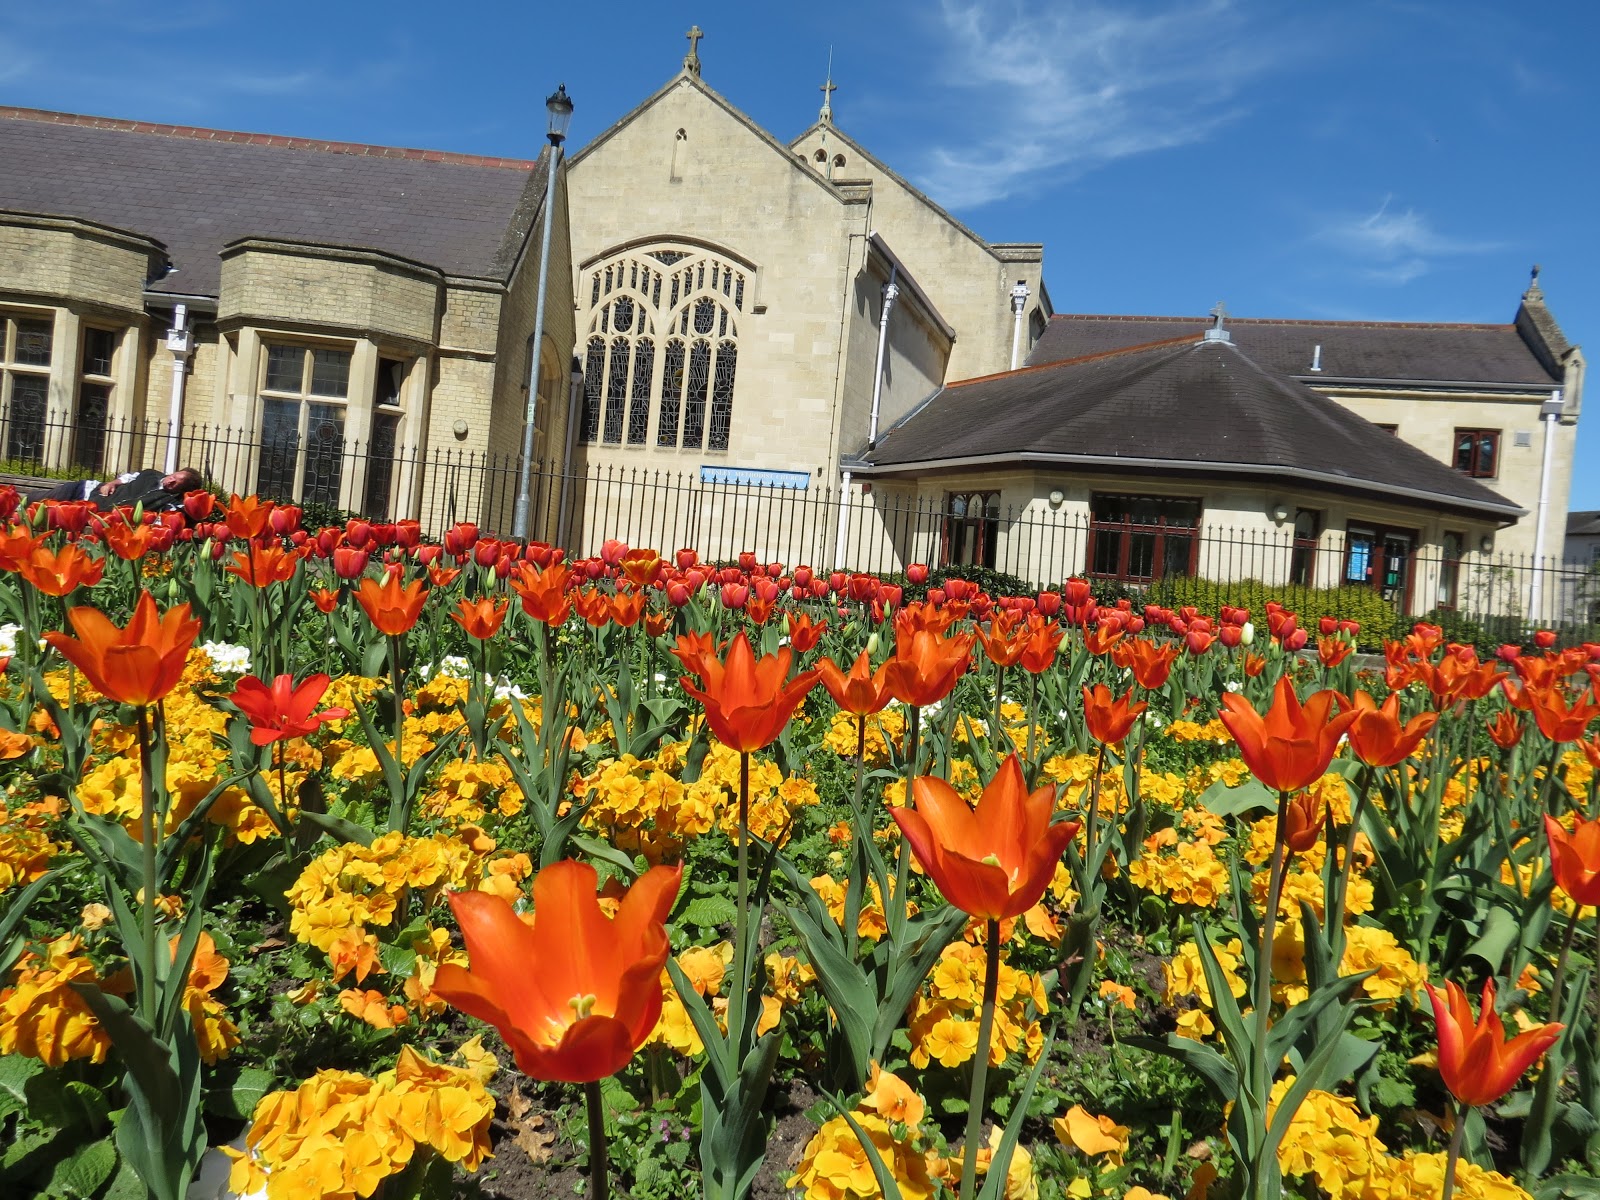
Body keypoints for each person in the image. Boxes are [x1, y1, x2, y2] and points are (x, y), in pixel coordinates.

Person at [39, 467, 204, 512]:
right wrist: (111, 483)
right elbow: (127, 478)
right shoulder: (151, 474)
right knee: (39, 500)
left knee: (46, 509)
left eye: (176, 482)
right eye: (174, 475)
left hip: (90, 510)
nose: (171, 480)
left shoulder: (169, 502)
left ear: (183, 489)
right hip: (87, 491)